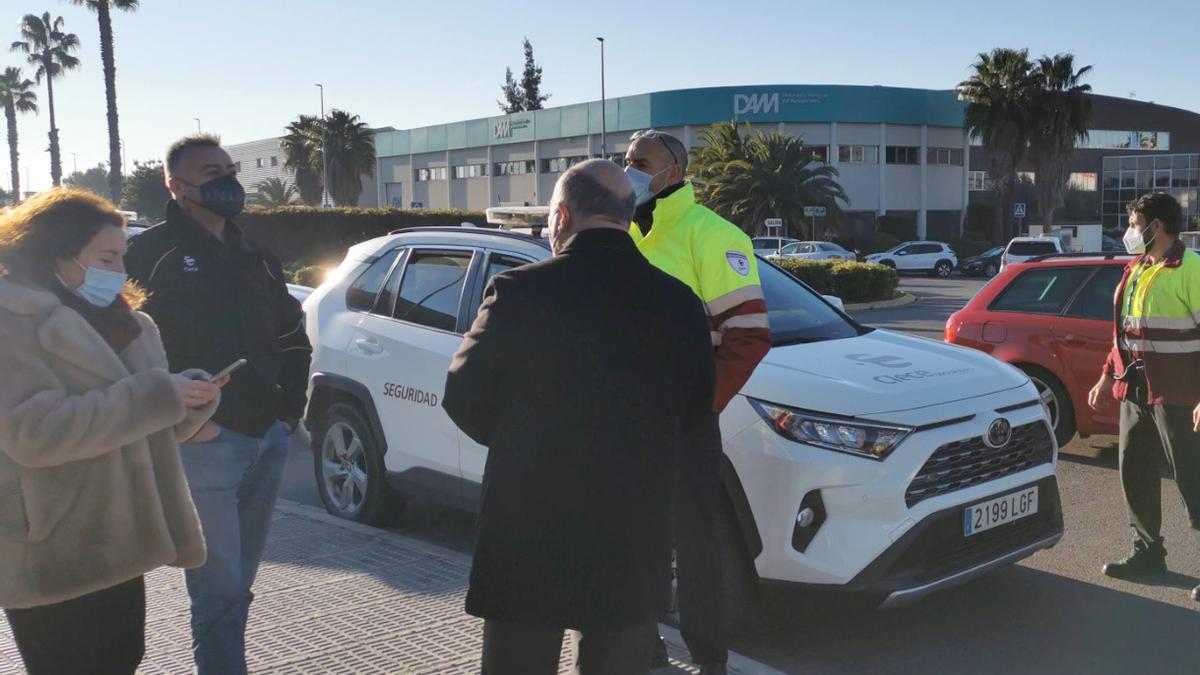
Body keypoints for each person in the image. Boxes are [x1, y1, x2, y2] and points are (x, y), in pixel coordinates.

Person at [443, 159, 715, 675]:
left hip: (528, 528)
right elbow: (695, 411)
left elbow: (463, 396)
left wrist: (524, 444)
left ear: (562, 216)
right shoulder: (678, 304)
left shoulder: (518, 292)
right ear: (626, 216)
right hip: (633, 539)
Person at [0, 189, 222, 674]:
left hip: (122, 543)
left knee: (122, 660)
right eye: (107, 257)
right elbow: (31, 433)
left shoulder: (126, 322)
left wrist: (187, 402)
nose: (119, 269)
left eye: (122, 255)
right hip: (50, 548)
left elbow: (144, 425)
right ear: (57, 254)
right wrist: (155, 397)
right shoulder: (11, 324)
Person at [124, 135, 312, 674]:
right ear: (176, 186)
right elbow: (123, 349)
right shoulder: (148, 255)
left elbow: (293, 335)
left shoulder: (256, 253)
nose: (227, 180)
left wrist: (287, 412)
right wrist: (186, 422)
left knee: (237, 587)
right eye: (212, 171)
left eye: (230, 169)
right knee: (219, 587)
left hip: (268, 439)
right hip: (205, 444)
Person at [624, 129, 772, 673]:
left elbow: (749, 335)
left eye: (641, 161)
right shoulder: (621, 231)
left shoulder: (713, 235)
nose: (630, 168)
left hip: (685, 425)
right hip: (624, 425)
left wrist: (698, 404)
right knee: (632, 543)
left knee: (696, 552)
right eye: (626, 159)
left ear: (674, 173)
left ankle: (710, 661)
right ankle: (643, 650)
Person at [1089, 192, 1200, 602]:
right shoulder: (1136, 269)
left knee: (1194, 477)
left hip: (1181, 394)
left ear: (1157, 226)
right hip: (1136, 390)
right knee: (1133, 470)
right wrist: (1106, 376)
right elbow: (1124, 332)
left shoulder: (1192, 269)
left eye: (1135, 224)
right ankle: (1148, 553)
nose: (1129, 232)